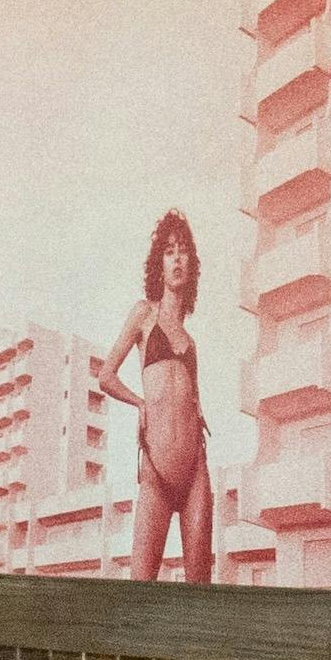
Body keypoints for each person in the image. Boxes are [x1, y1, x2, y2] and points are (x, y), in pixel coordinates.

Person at [96, 208, 214, 585]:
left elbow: (192, 401)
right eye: (169, 251)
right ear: (159, 265)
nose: (177, 258)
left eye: (183, 251)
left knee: (200, 587)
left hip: (195, 469)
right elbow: (105, 375)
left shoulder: (191, 341)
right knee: (140, 586)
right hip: (157, 469)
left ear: (191, 265)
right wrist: (140, 403)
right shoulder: (144, 315)